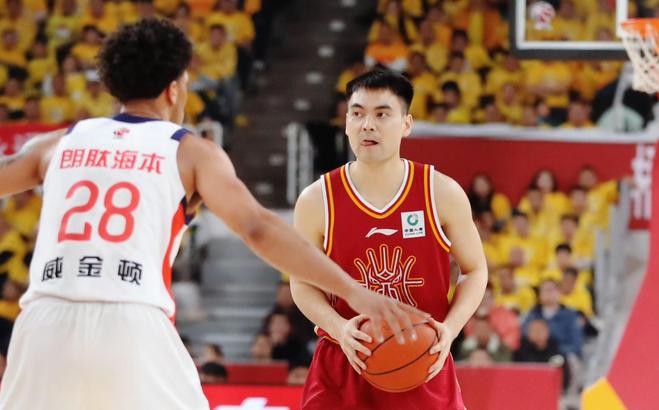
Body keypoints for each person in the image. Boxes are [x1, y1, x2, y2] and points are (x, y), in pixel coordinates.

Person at [0, 19, 425, 409]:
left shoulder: (57, 143)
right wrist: (354, 291)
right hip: (129, 319)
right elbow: (257, 228)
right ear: (174, 89)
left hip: (42, 322)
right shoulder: (188, 151)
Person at [291, 70, 488, 409]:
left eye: (382, 114)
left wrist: (450, 329)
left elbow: (475, 270)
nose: (367, 125)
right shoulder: (316, 199)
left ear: (406, 124)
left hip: (422, 358)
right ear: (347, 123)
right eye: (357, 114)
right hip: (344, 359)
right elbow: (302, 282)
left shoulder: (441, 192)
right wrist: (339, 328)